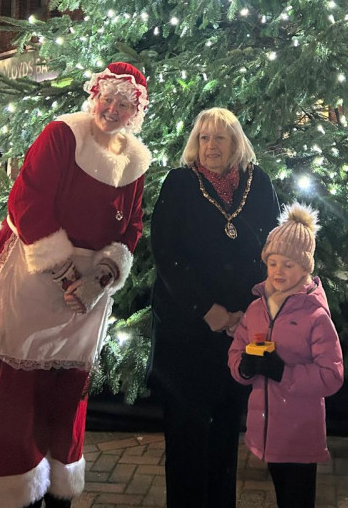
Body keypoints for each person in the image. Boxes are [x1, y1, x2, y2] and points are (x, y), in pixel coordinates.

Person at [0, 62, 152, 508]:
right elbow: (27, 201)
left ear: (136, 111)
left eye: (124, 104)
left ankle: (58, 490)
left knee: (67, 389)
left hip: (87, 296)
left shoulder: (136, 160)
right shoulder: (62, 135)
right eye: (107, 98)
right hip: (34, 276)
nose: (112, 109)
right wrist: (66, 273)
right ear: (95, 95)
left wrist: (101, 277)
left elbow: (131, 226)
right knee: (16, 390)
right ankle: (11, 490)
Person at [148, 107, 280, 508]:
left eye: (220, 138)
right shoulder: (180, 183)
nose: (210, 146)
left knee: (225, 433)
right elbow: (167, 253)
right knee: (187, 438)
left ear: (236, 143)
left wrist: (247, 312)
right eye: (203, 138)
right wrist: (209, 311)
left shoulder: (259, 184)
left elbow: (273, 248)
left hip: (241, 331)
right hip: (186, 332)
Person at [228, 203, 343, 508]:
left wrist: (283, 372)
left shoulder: (315, 316)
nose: (279, 271)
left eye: (289, 265)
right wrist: (244, 367)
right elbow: (236, 348)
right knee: (282, 493)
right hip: (266, 431)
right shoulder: (256, 308)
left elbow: (332, 375)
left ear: (306, 269)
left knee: (298, 497)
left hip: (300, 434)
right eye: (273, 263)